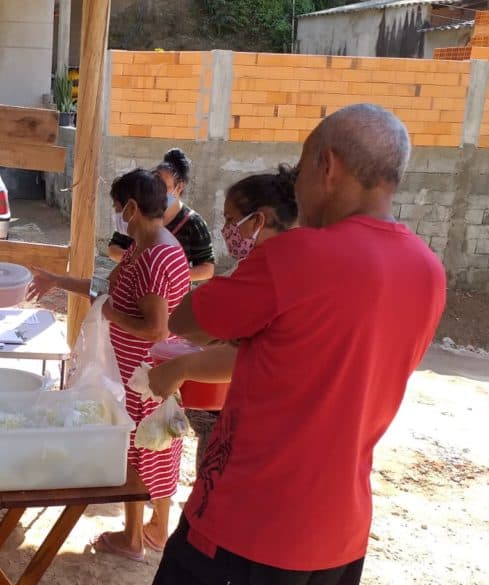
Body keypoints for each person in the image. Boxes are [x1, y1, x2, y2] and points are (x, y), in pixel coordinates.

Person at [153, 104, 446, 585]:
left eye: (304, 164)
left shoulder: (296, 256)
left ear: (326, 167)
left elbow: (186, 320)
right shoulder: (428, 271)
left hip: (247, 527)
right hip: (340, 535)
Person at [29, 169, 190, 561]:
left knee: (137, 452)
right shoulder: (147, 246)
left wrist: (112, 317)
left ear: (132, 208)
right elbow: (106, 288)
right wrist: (58, 280)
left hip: (142, 379)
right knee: (161, 445)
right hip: (150, 375)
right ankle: (157, 529)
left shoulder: (155, 257)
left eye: (117, 207)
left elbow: (155, 328)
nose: (115, 213)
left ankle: (133, 539)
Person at [147, 165, 299, 473]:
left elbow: (183, 323)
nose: (226, 229)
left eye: (231, 220)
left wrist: (184, 365)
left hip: (263, 432)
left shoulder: (268, 270)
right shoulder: (306, 266)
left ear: (259, 220)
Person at [108, 148, 215, 282]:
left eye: (163, 187)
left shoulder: (194, 224)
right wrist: (141, 260)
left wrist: (168, 273)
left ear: (179, 188)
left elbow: (207, 269)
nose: (157, 191)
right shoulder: (139, 214)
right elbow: (113, 249)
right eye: (154, 184)